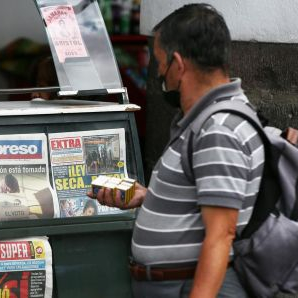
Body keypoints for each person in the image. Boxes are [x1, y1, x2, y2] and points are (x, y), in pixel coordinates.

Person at [90, 4, 264, 297]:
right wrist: (151, 196)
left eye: (159, 62)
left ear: (179, 64)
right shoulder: (205, 120)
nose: (159, 73)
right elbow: (202, 197)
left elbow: (221, 235)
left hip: (189, 286)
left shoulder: (218, 130)